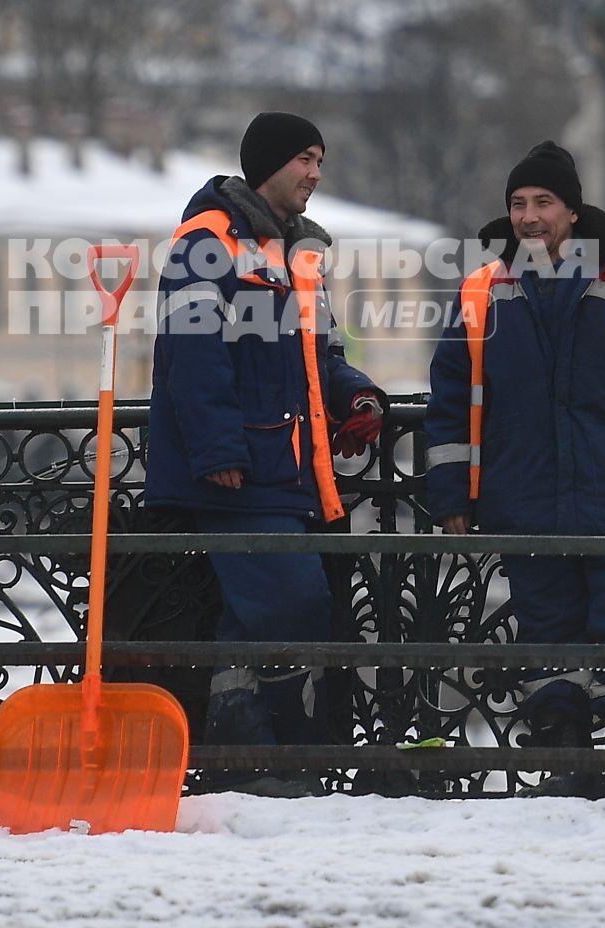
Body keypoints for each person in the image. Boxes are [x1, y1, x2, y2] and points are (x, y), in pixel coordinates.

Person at [423, 141, 605, 807]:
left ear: (571, 212)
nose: (528, 216)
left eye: (542, 202)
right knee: (548, 630)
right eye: (518, 204)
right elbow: (451, 398)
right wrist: (451, 492)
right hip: (528, 496)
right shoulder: (482, 288)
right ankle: (565, 762)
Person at [146, 111, 386, 795]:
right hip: (240, 470)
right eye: (304, 159)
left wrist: (360, 398)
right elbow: (192, 357)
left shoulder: (298, 252)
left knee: (261, 610)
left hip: (289, 468)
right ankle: (264, 746)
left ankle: (246, 740)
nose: (314, 174)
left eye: (320, 161)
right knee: (294, 603)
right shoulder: (206, 242)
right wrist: (219, 449)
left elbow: (324, 355)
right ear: (268, 166)